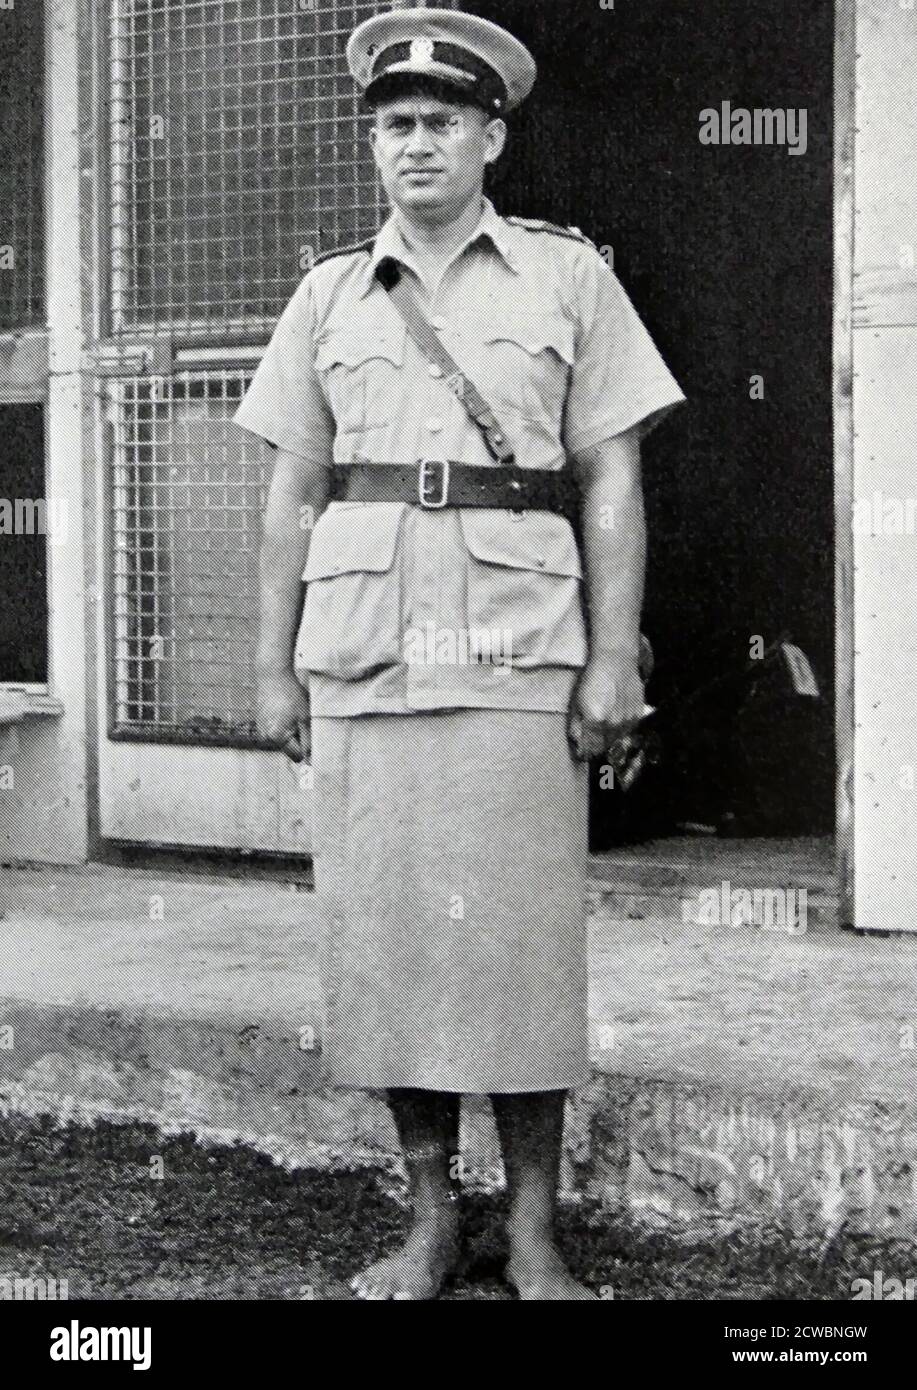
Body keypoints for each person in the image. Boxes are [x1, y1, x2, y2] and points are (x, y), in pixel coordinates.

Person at [234, 6, 685, 1300]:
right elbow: (288, 494)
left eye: (438, 122)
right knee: (384, 944)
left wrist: (612, 657)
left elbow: (610, 476)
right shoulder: (325, 294)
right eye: (392, 125)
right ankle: (431, 1219)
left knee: (521, 944)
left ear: (491, 135)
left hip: (514, 652)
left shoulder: (565, 278)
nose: (413, 145)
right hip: (365, 654)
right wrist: (273, 665)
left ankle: (535, 1228)